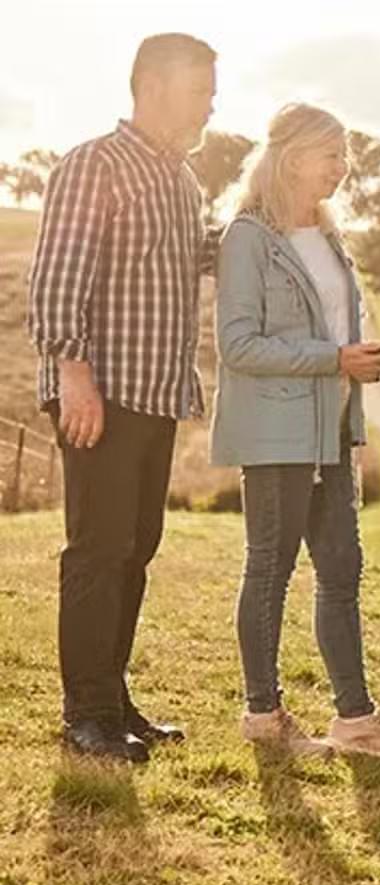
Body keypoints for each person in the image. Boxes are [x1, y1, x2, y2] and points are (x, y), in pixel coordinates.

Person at [211, 103, 380, 760]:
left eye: (345, 155)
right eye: (331, 154)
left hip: (331, 428)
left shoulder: (331, 238)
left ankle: (356, 722)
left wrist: (360, 359)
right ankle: (263, 715)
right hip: (276, 432)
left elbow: (335, 330)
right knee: (270, 569)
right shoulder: (248, 238)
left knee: (341, 568)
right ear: (293, 157)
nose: (343, 168)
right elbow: (237, 344)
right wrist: (333, 359)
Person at [26, 34, 220, 762]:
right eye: (201, 88)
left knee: (138, 547)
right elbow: (56, 277)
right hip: (100, 390)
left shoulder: (182, 180)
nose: (210, 103)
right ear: (156, 85)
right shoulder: (94, 165)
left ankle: (114, 697)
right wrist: (73, 374)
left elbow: (197, 256)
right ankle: (88, 714)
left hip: (157, 389)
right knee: (99, 549)